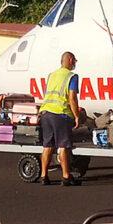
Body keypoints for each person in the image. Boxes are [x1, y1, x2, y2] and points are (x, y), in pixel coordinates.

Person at [38, 50, 81, 186]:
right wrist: (77, 116)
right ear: (69, 60)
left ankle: (44, 175)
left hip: (46, 113)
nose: (75, 63)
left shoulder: (52, 75)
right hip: (60, 114)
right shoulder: (71, 76)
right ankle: (66, 176)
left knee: (47, 145)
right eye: (74, 60)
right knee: (63, 146)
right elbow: (72, 98)